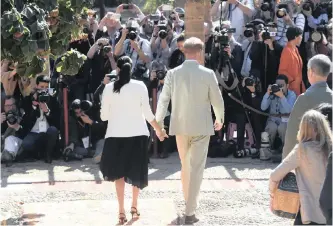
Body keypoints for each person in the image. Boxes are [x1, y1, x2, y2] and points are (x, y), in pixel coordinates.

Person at [155, 37, 225, 224]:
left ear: (184, 51)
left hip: (180, 125)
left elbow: (163, 100)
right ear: (200, 52)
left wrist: (158, 124)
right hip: (201, 126)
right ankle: (190, 210)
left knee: (185, 166)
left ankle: (189, 202)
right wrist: (220, 118)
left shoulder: (172, 74)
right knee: (195, 169)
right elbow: (217, 100)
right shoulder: (208, 73)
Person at [99, 56, 167, 224]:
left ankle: (121, 211)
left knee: (118, 175)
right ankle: (134, 206)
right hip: (138, 134)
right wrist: (159, 130)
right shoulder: (140, 86)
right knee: (137, 171)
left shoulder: (108, 88)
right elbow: (148, 114)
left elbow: (104, 116)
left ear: (118, 70)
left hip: (115, 135)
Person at [269, 110, 332, 225]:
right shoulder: (330, 149)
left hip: (311, 212)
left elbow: (275, 175)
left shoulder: (302, 150)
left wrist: (272, 193)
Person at [282, 54, 332, 160]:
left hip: (310, 160)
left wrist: (286, 163)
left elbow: (292, 133)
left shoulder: (304, 98)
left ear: (311, 72)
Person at [260, 75, 297, 152]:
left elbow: (289, 110)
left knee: (282, 128)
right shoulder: (272, 93)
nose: (279, 88)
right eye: (278, 85)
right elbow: (263, 107)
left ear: (287, 86)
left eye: (281, 85)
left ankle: (286, 149)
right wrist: (267, 94)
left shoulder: (292, 95)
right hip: (273, 119)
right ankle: (268, 150)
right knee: (271, 128)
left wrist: (282, 97)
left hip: (286, 120)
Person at [278, 26, 306, 96]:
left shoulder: (295, 49)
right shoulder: (287, 51)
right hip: (292, 88)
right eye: (300, 36)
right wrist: (293, 81)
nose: (301, 38)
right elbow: (282, 71)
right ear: (296, 37)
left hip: (299, 85)